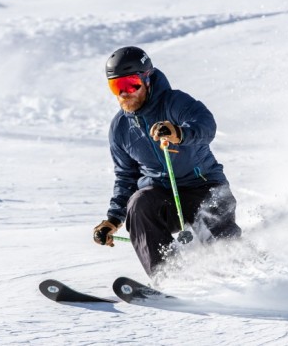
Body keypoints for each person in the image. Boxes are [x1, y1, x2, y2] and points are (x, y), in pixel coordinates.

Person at [93, 46, 241, 277]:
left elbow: (206, 125)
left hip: (203, 187)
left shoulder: (175, 102)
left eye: (130, 84)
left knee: (219, 240)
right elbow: (126, 177)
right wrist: (113, 220)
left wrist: (178, 133)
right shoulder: (120, 128)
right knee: (139, 203)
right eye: (116, 86)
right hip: (163, 198)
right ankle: (169, 277)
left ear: (147, 79)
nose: (124, 93)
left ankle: (241, 272)